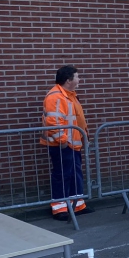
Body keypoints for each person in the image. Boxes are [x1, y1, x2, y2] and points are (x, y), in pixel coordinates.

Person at [42, 65, 92, 221]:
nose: (79, 79)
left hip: (71, 144)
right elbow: (53, 123)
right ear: (68, 80)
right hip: (62, 145)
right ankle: (60, 209)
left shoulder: (69, 95)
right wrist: (63, 142)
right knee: (62, 175)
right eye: (77, 77)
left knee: (74, 174)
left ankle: (77, 205)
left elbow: (77, 119)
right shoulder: (56, 97)